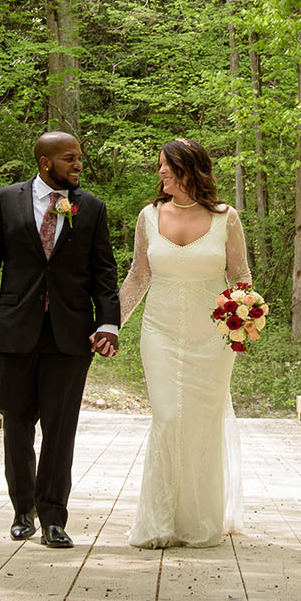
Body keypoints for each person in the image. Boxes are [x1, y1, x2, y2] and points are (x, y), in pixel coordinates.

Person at [0, 131, 121, 548]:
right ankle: (21, 511)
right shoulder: (6, 200)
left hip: (70, 336)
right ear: (46, 162)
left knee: (61, 427)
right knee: (17, 422)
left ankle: (53, 517)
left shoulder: (92, 208)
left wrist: (108, 324)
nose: (78, 165)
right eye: (70, 158)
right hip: (16, 331)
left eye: (79, 158)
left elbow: (104, 273)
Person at [116, 138, 254, 548]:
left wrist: (242, 319)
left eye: (166, 166)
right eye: (159, 165)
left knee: (201, 423)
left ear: (189, 170)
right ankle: (158, 522)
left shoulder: (225, 218)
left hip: (212, 340)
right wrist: (111, 325)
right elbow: (139, 276)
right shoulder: (148, 215)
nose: (159, 172)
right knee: (168, 417)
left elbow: (241, 276)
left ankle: (198, 521)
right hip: (159, 331)